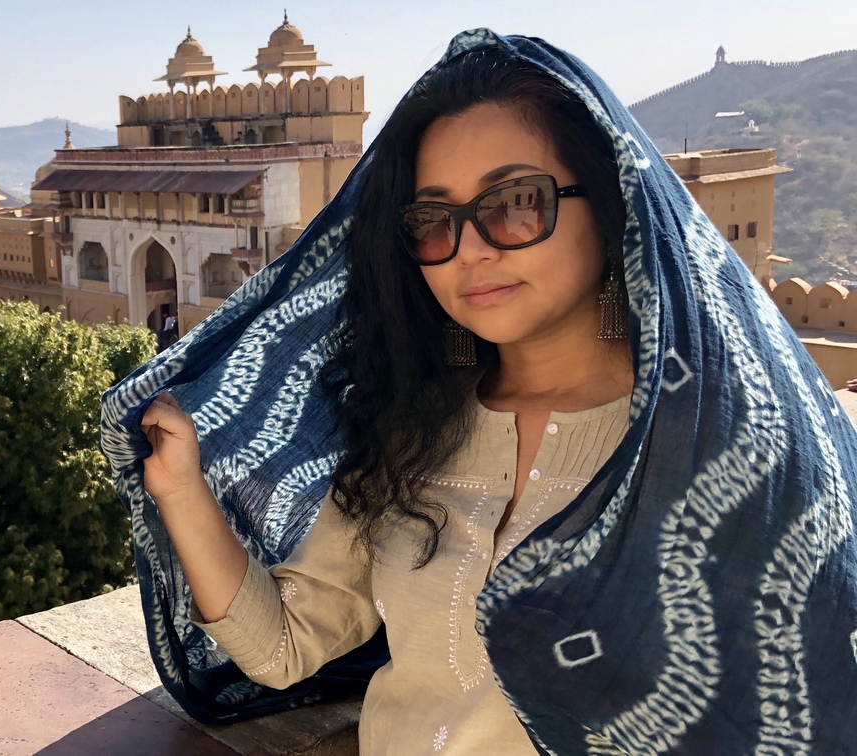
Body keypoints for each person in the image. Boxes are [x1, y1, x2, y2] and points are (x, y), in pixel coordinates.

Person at [107, 31, 857, 753]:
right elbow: (285, 647)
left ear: (608, 202)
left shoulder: (704, 437)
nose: (469, 249)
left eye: (517, 202)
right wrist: (181, 490)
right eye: (434, 222)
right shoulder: (412, 429)